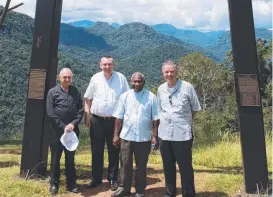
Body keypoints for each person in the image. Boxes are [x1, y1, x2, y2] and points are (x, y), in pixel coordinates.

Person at [84, 56, 130, 191]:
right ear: (100, 65)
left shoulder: (121, 78)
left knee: (114, 151)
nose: (107, 67)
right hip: (97, 120)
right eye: (104, 64)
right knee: (96, 151)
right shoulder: (95, 78)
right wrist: (88, 115)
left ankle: (112, 179)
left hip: (114, 122)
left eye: (109, 64)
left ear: (113, 65)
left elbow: (128, 98)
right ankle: (96, 179)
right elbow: (88, 98)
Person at [157, 60, 201, 197]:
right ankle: (169, 194)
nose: (169, 74)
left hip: (182, 134)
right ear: (163, 73)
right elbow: (160, 111)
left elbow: (195, 109)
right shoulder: (160, 89)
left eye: (172, 71)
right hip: (164, 134)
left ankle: (188, 194)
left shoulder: (187, 87)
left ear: (177, 72)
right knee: (168, 167)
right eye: (166, 72)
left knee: (185, 167)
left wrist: (184, 121)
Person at [111, 72, 159, 197]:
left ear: (144, 82)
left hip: (144, 138)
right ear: (131, 82)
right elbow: (118, 117)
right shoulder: (125, 96)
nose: (137, 83)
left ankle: (140, 190)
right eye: (135, 81)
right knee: (125, 164)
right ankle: (124, 189)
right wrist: (116, 135)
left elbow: (156, 118)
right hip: (126, 136)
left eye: (140, 81)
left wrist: (154, 136)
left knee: (141, 166)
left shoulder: (151, 97)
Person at [46, 68, 84, 195]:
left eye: (69, 77)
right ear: (59, 78)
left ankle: (71, 184)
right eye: (65, 77)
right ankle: (54, 184)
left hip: (73, 132)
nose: (67, 80)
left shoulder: (75, 91)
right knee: (55, 159)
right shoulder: (52, 92)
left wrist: (72, 124)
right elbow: (51, 113)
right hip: (57, 133)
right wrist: (64, 127)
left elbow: (81, 110)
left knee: (70, 158)